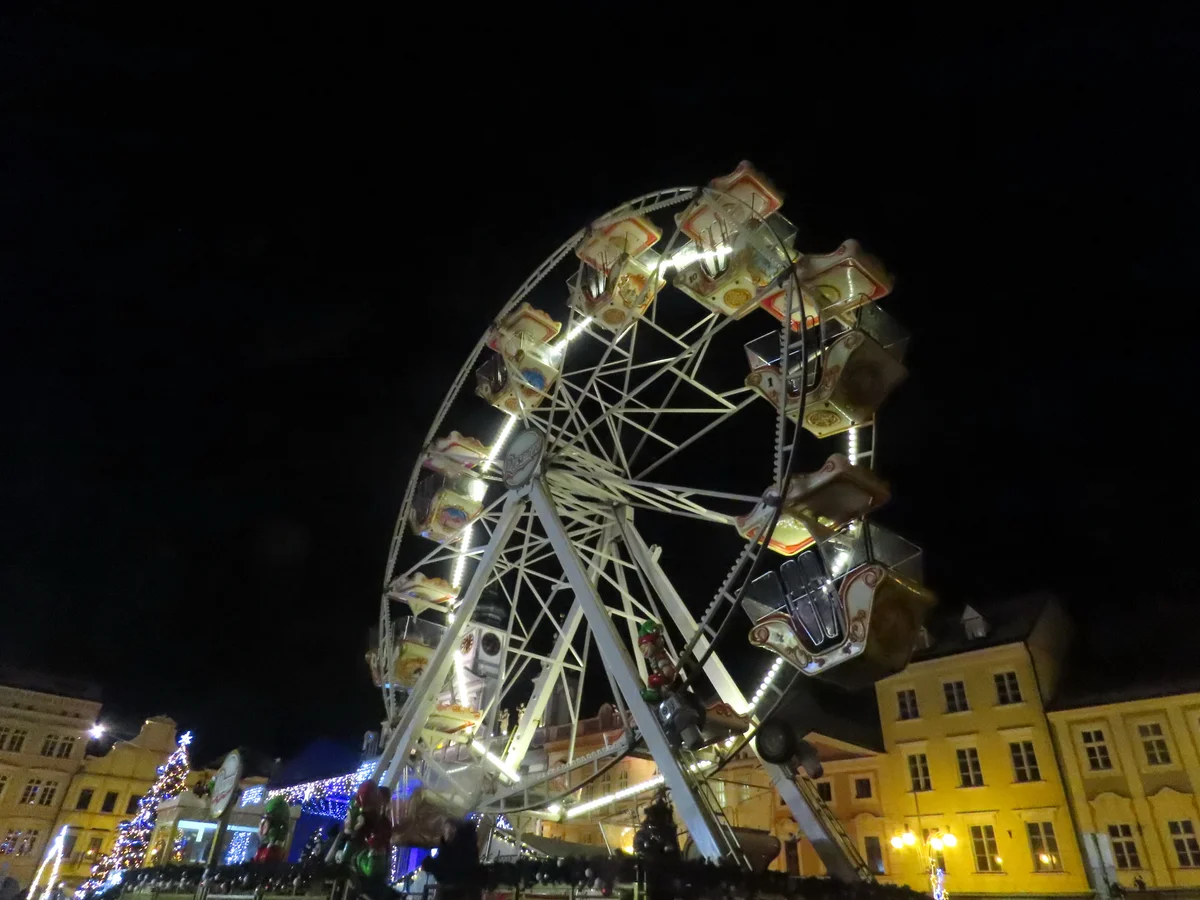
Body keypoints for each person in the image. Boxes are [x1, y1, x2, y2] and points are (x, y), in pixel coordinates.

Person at [421, 819, 483, 900]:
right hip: (468, 892)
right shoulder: (469, 847)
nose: (444, 832)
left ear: (454, 830)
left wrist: (429, 864)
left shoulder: (452, 849)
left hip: (452, 893)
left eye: (446, 829)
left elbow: (446, 873)